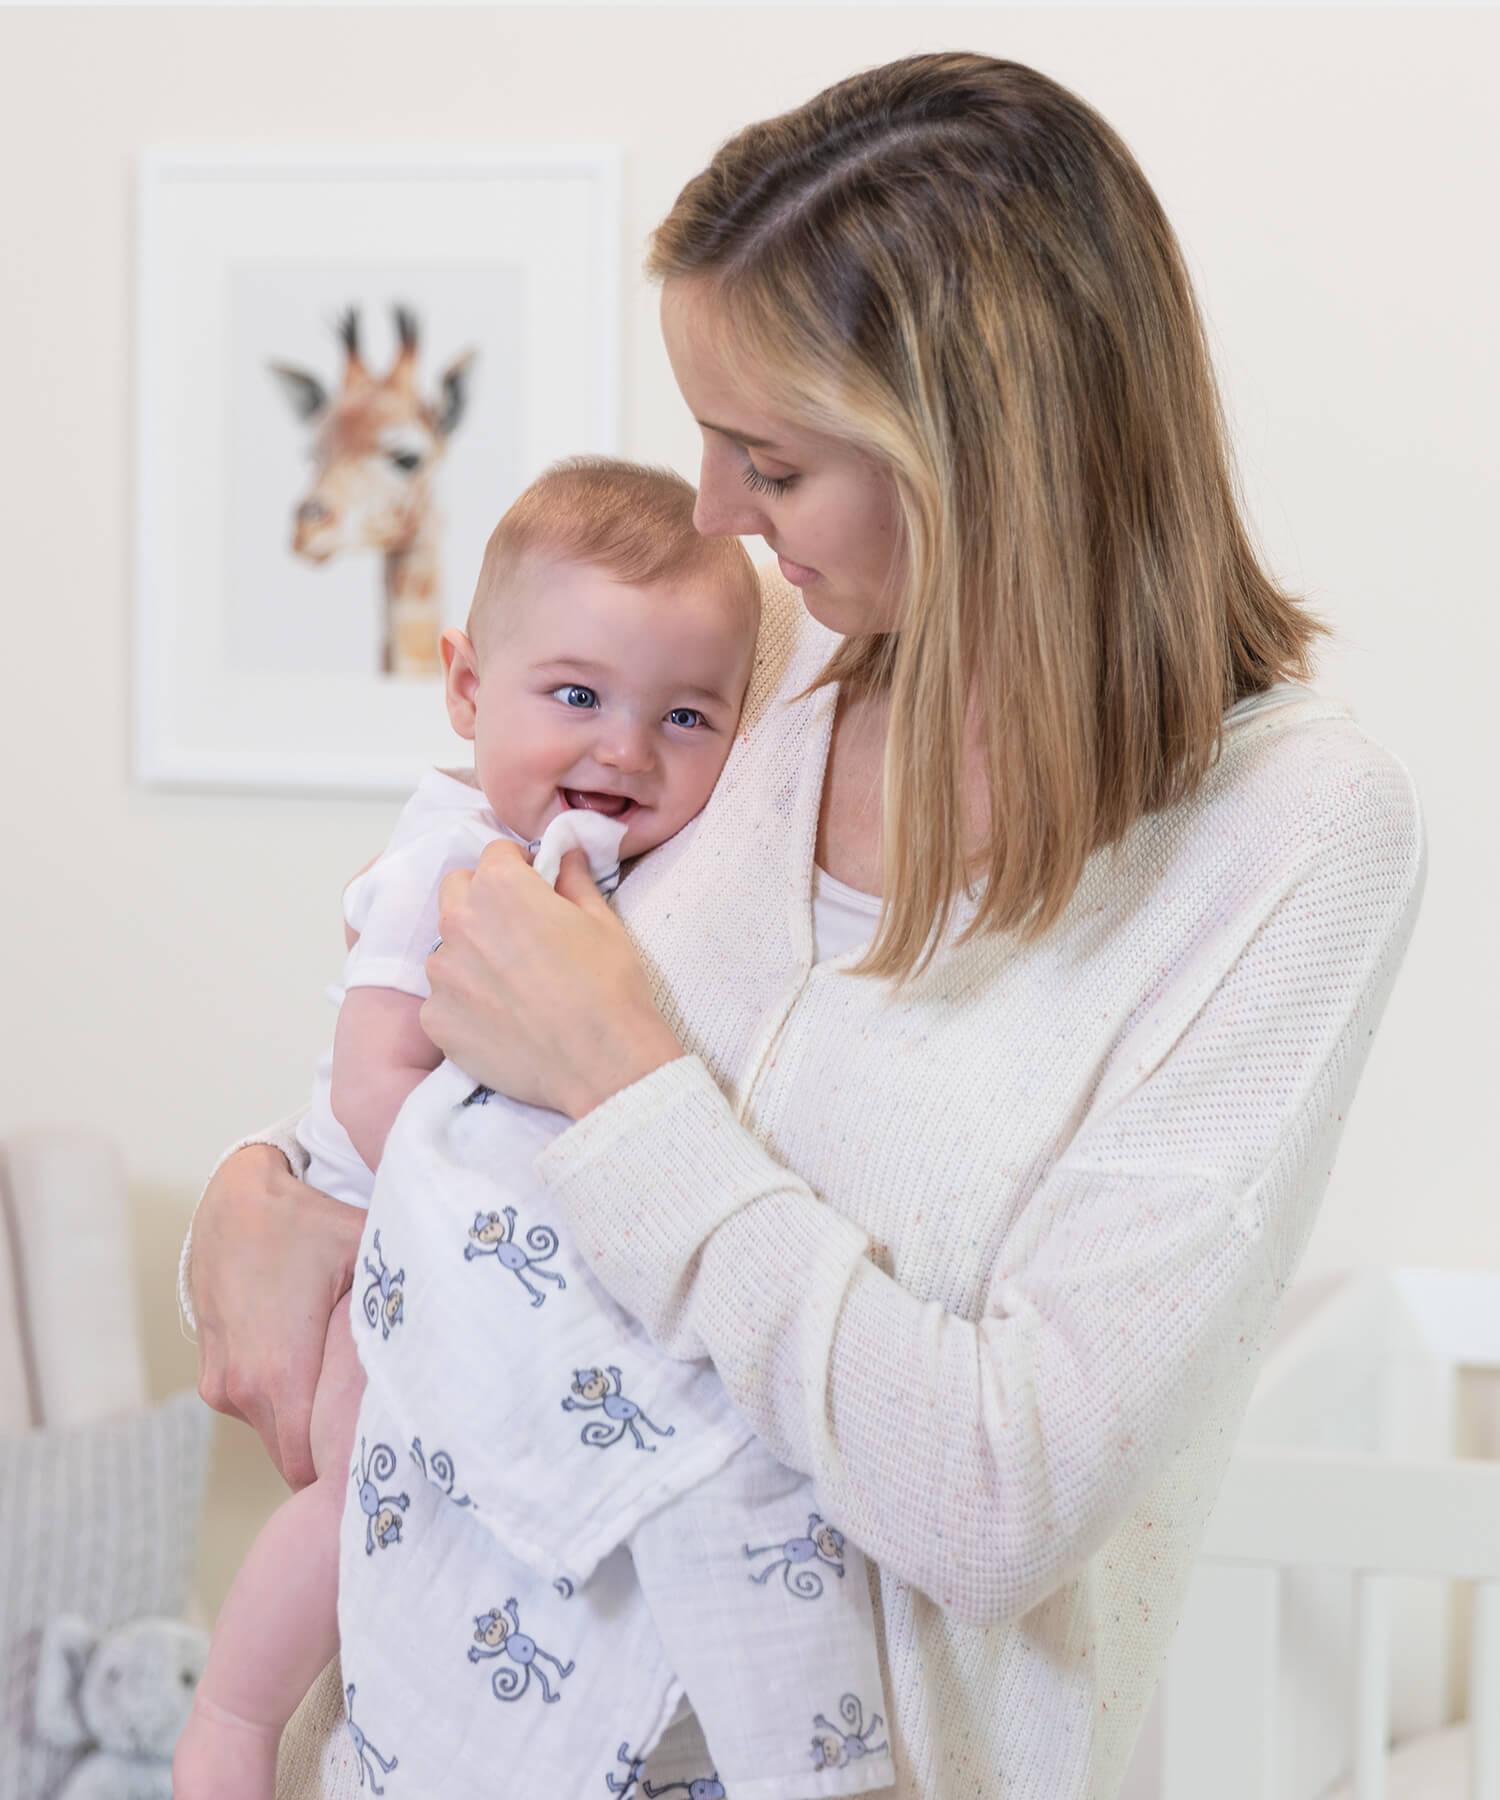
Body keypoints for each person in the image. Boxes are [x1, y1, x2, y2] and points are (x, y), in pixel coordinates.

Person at [184, 53, 1425, 1799]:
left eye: (767, 454)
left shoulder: (1291, 837)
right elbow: (460, 1022)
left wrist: (630, 1089)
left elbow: (1000, 1499)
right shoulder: (752, 670)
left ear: (980, 456)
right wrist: (267, 1185)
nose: (713, 512)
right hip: (404, 1733)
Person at [180, 457, 887, 1800]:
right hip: (388, 1239)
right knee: (356, 1498)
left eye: (686, 716)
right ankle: (226, 1723)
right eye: (576, 697)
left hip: (496, 1238)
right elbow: (381, 1084)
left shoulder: (648, 857)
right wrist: (554, 1202)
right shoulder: (450, 857)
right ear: (466, 688)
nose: (624, 750)